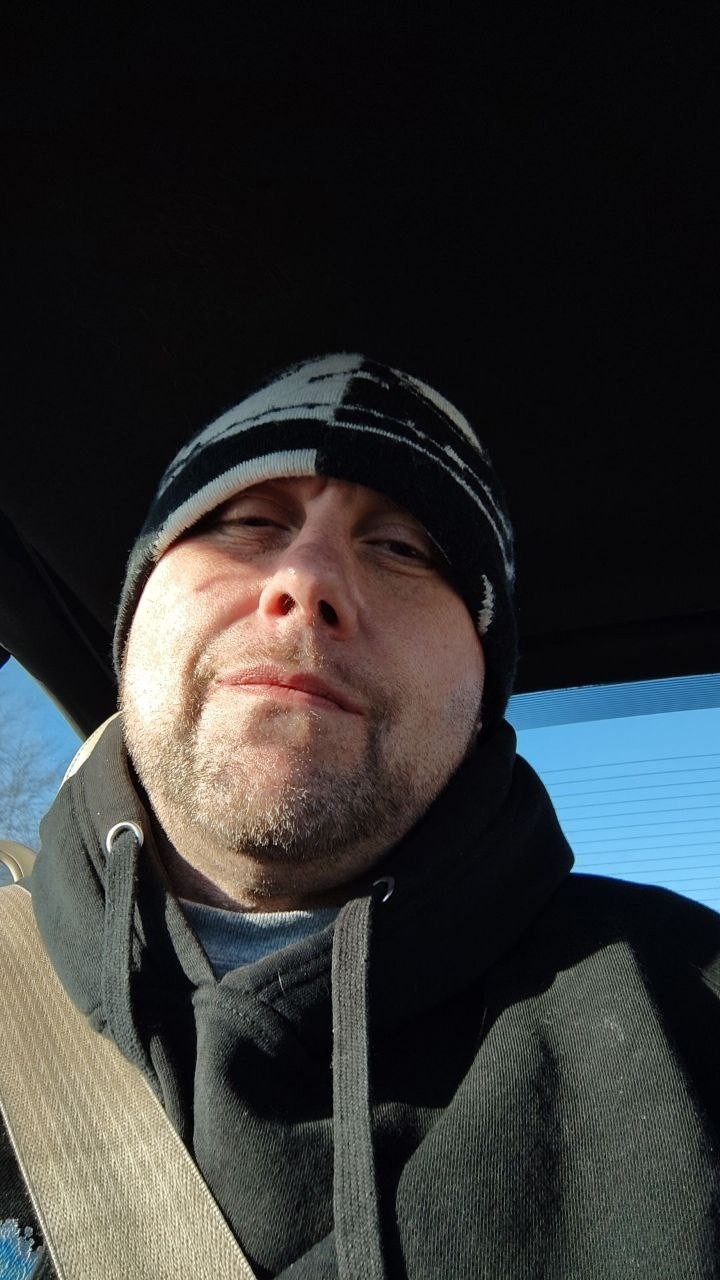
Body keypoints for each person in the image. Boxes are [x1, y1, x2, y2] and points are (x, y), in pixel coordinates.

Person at [2, 353, 719, 1278]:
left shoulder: (690, 1012)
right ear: (135, 617)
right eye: (247, 521)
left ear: (482, 689)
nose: (307, 580)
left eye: (402, 549)